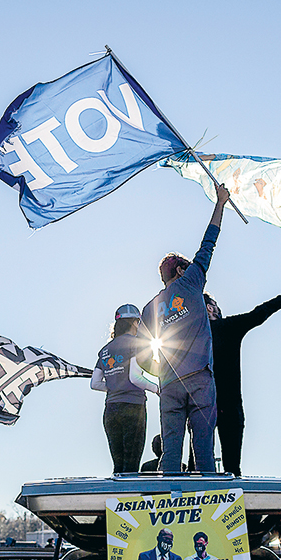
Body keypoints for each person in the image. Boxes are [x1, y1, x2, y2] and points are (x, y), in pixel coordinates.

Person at [139, 184, 231, 472]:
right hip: (200, 379)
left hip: (169, 384)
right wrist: (221, 203)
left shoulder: (149, 308)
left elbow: (141, 356)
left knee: (170, 451)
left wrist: (162, 372)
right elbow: (208, 244)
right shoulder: (191, 281)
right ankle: (207, 509)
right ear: (180, 271)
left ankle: (169, 503)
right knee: (203, 449)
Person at [205, 282, 281, 476]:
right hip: (230, 405)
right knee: (232, 467)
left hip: (203, 405)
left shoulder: (195, 336)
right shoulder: (228, 327)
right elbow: (259, 313)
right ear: (210, 308)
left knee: (198, 465)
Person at [91, 304, 159, 474]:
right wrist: (156, 388)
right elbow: (135, 377)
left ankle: (117, 499)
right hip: (133, 407)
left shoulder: (105, 350)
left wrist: (115, 386)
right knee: (131, 465)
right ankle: (128, 500)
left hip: (111, 410)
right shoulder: (137, 343)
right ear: (136, 323)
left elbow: (94, 383)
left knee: (118, 466)